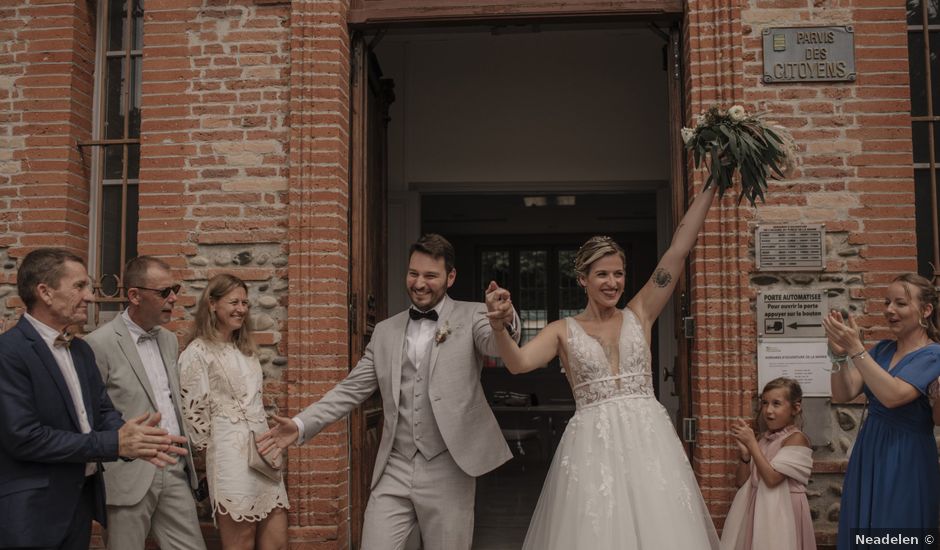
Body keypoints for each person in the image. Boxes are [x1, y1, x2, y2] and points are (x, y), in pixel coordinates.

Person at [490, 184, 720, 549]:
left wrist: (712, 184)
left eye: (618, 273)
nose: (612, 283)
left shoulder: (640, 313)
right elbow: (517, 364)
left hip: (649, 443)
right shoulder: (562, 331)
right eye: (602, 274)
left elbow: (678, 249)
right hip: (592, 449)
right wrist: (499, 327)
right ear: (582, 279)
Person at [257, 233, 519, 550]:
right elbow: (350, 390)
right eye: (413, 273)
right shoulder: (384, 332)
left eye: (430, 276)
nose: (419, 283)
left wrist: (501, 318)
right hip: (394, 465)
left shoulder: (475, 315)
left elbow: (498, 343)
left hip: (449, 466)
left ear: (450, 277)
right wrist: (300, 425)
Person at [0, 248, 188, 550]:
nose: (89, 296)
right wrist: (113, 444)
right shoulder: (9, 353)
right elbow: (24, 438)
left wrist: (136, 441)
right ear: (45, 292)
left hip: (79, 503)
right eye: (79, 286)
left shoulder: (81, 350)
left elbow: (102, 412)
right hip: (31, 510)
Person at [85, 256, 206, 550]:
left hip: (174, 466)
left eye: (174, 289)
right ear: (134, 295)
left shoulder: (168, 339)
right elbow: (92, 415)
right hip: (127, 474)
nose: (173, 298)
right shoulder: (98, 343)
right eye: (164, 292)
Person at [823, 273, 940, 549]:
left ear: (926, 310)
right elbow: (844, 392)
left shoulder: (933, 355)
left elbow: (893, 395)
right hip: (870, 451)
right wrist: (839, 355)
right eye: (887, 302)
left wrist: (856, 348)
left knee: (898, 532)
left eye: (900, 303)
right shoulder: (883, 350)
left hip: (906, 457)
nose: (889, 310)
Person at [178, 273, 289, 550]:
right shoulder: (198, 351)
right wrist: (217, 447)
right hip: (230, 457)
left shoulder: (246, 350)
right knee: (241, 542)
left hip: (263, 453)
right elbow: (194, 416)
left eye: (245, 303)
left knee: (277, 540)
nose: (241, 308)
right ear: (212, 304)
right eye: (234, 302)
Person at [721, 377, 815, 550]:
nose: (768, 410)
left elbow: (772, 479)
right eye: (764, 403)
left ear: (795, 408)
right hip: (759, 510)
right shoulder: (763, 440)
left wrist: (752, 445)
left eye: (776, 404)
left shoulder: (796, 439)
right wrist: (745, 455)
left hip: (783, 513)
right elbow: (741, 483)